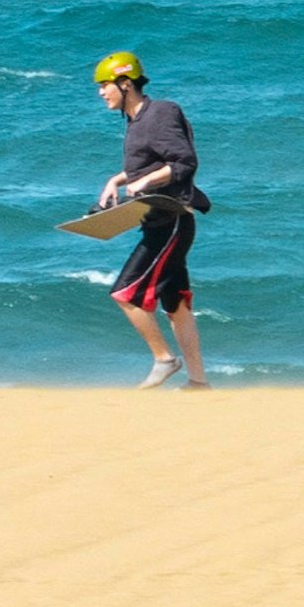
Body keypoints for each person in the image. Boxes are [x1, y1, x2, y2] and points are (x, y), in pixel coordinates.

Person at [88, 50, 207, 389]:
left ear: (126, 83)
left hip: (171, 220)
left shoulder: (161, 113)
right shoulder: (136, 121)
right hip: (158, 220)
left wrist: (144, 183)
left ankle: (164, 359)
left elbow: (184, 161)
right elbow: (150, 164)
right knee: (176, 303)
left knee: (125, 293)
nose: (101, 93)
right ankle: (199, 383)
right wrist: (119, 179)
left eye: (105, 85)